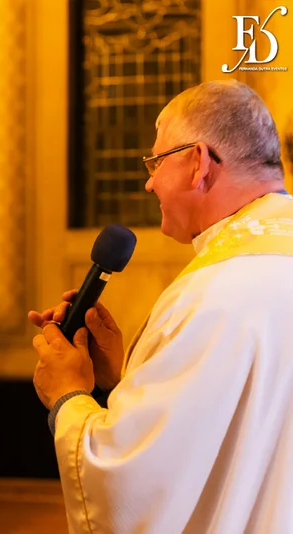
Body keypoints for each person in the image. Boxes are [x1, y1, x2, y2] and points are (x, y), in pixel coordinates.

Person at [29, 79, 293, 534]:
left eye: (155, 161)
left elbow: (130, 482)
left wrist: (68, 395)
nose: (149, 182)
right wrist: (120, 381)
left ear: (199, 163)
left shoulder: (213, 293)